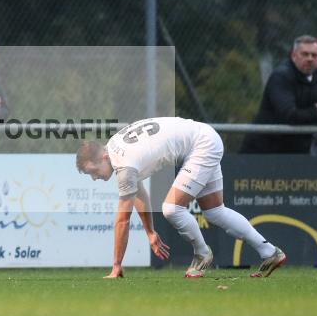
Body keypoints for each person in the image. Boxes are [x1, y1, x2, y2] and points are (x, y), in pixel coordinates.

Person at [76, 117, 286, 279]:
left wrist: (116, 266)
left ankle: (202, 254)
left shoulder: (123, 166)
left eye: (93, 171)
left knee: (171, 208)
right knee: (215, 211)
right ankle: (269, 252)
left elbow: (122, 220)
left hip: (201, 145)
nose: (95, 178)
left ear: (103, 157)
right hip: (206, 136)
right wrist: (150, 232)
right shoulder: (113, 147)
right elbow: (139, 194)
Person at [240, 35, 317, 154]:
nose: (310, 59)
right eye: (305, 54)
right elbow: (289, 116)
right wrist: (314, 111)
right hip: (264, 150)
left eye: (314, 55)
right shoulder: (281, 76)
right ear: (294, 56)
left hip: (298, 151)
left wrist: (304, 115)